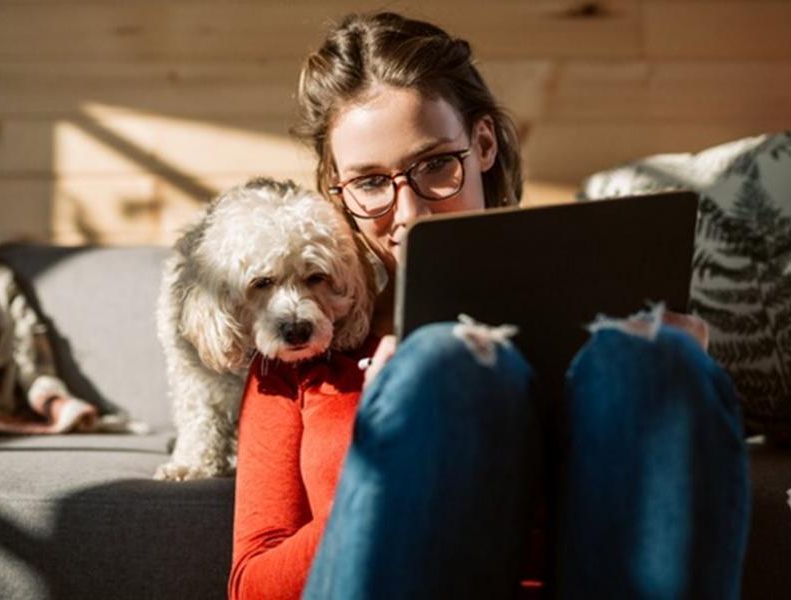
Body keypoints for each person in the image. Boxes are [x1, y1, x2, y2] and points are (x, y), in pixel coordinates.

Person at [228, 12, 750, 600]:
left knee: (658, 363)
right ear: (337, 191)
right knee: (445, 367)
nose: (410, 214)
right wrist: (386, 457)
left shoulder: (607, 337)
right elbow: (251, 585)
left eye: (433, 166)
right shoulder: (298, 354)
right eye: (370, 182)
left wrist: (678, 383)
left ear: (481, 144)